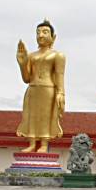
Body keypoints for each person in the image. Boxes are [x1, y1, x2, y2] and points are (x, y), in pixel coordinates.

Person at [16, 19, 65, 153]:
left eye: (45, 32)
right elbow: (26, 79)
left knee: (45, 116)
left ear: (53, 37)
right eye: (38, 33)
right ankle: (32, 143)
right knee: (31, 116)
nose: (41, 35)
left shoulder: (58, 56)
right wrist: (22, 63)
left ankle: (44, 144)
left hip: (48, 89)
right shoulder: (31, 56)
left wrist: (61, 93)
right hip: (32, 89)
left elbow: (60, 75)